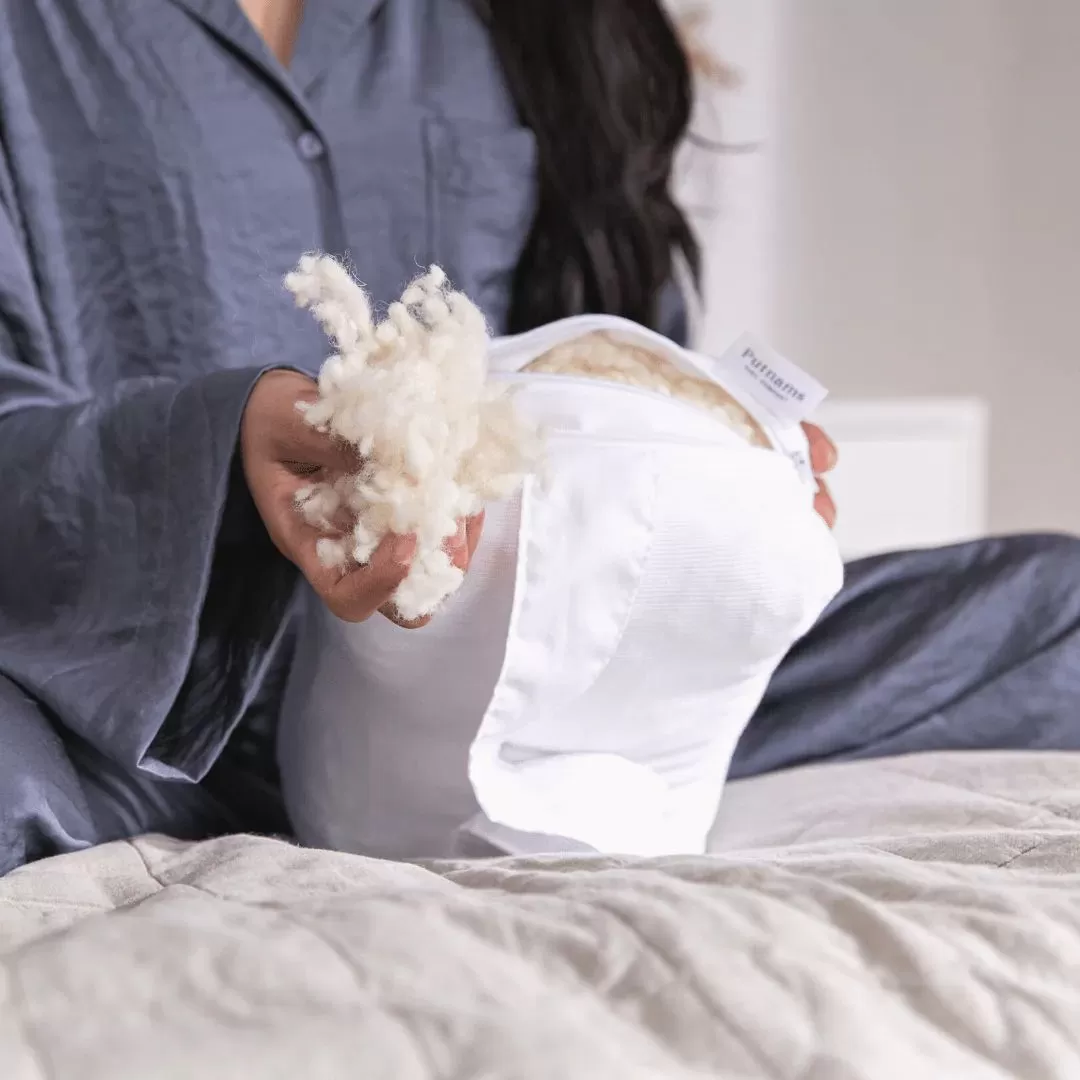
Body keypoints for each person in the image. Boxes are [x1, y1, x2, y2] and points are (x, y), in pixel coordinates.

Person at [1, 0, 1077, 875]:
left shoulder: (543, 25)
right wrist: (221, 446)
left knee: (1055, 611)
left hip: (548, 687)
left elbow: (609, 369)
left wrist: (731, 469)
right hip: (134, 720)